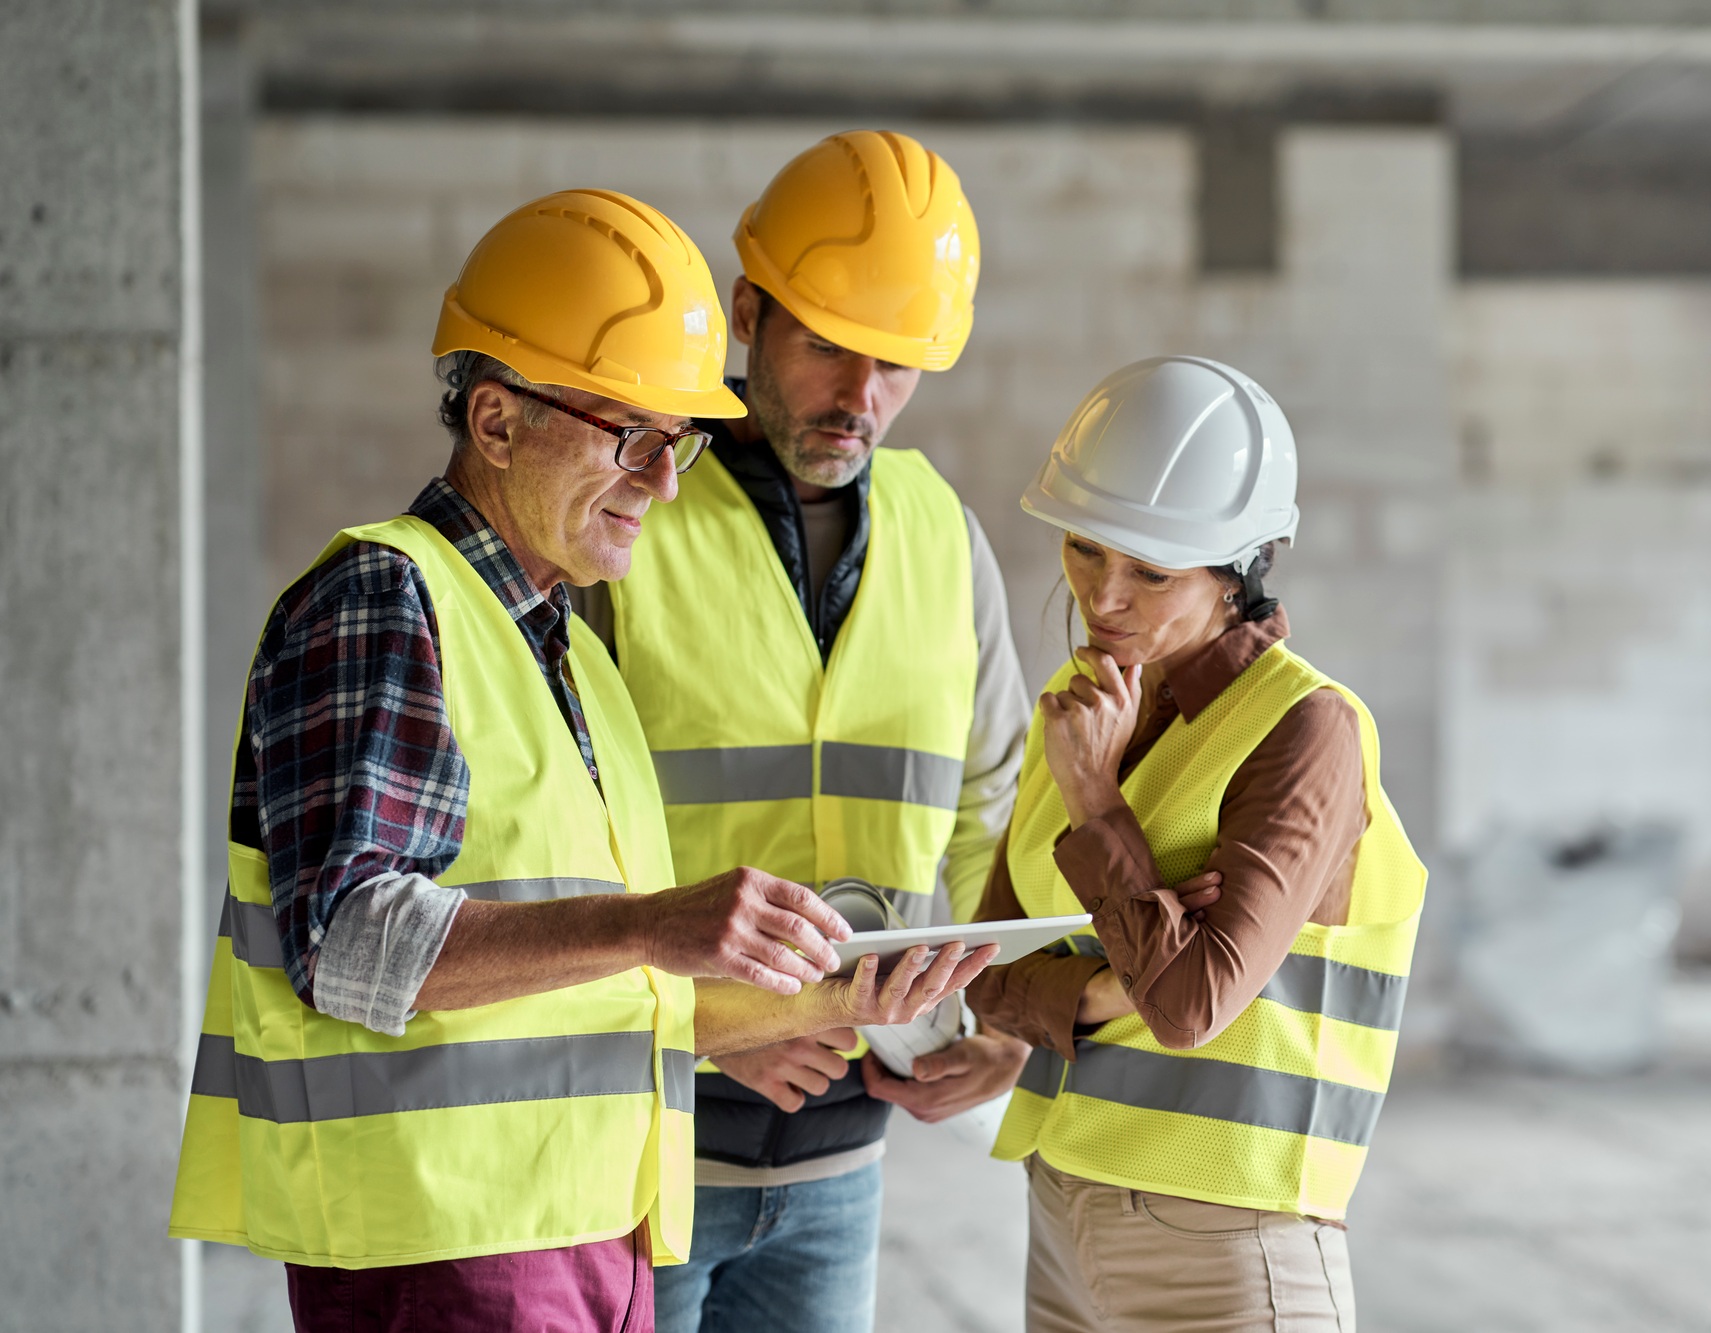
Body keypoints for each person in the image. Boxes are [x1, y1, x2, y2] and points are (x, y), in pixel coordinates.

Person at [167, 188, 994, 1333]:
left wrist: (841, 1001)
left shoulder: (572, 658)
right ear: (496, 421)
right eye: (631, 438)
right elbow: (348, 943)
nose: (665, 481)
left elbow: (589, 996)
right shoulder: (386, 597)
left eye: (678, 443)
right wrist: (653, 923)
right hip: (450, 1242)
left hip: (588, 1229)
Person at [584, 131, 1033, 1333]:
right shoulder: (626, 516)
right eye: (829, 344)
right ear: (746, 314)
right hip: (642, 1145)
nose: (859, 397)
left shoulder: (942, 534)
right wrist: (699, 1027)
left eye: (895, 364)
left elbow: (994, 813)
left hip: (845, 1164)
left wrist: (1006, 1023)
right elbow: (547, 839)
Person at [966, 356, 1428, 1332]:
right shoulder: (1079, 710)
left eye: (1151, 571)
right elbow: (988, 975)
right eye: (1084, 549)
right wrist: (1108, 987)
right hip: (1061, 1211)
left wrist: (1097, 801)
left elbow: (1185, 1004)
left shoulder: (1305, 731)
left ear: (1238, 572)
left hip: (1230, 1238)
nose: (1103, 597)